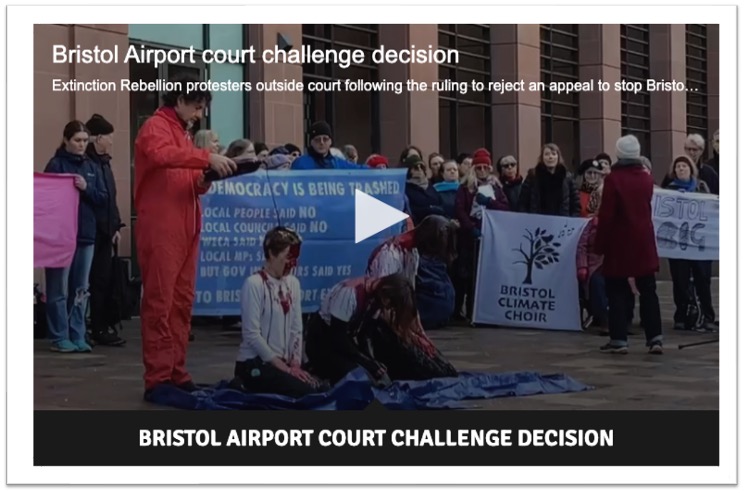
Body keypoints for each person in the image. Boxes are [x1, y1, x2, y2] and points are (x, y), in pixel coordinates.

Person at [134, 76, 237, 398]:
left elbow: (188, 181)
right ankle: (158, 377)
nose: (199, 114)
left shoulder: (182, 134)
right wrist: (205, 158)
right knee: (160, 303)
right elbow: (161, 155)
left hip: (185, 228)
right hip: (163, 229)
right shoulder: (155, 127)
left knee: (180, 303)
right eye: (196, 106)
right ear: (179, 100)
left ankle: (175, 371)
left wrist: (204, 179)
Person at [306, 273, 458, 384]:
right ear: (386, 296)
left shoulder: (375, 300)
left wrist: (373, 361)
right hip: (323, 342)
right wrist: (366, 362)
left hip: (343, 342)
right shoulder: (349, 294)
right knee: (359, 377)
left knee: (376, 373)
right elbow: (338, 337)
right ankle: (318, 370)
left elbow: (365, 334)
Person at [229, 227, 328, 397]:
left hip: (284, 363)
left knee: (321, 387)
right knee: (305, 393)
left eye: (295, 258)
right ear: (271, 254)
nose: (292, 264)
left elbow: (296, 328)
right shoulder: (254, 284)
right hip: (254, 363)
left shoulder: (293, 284)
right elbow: (252, 335)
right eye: (288, 257)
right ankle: (242, 384)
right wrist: (285, 369)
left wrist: (295, 364)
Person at [595, 135, 663, 355]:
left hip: (619, 241)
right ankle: (655, 337)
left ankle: (619, 338)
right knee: (648, 289)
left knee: (616, 290)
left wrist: (599, 245)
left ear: (619, 153)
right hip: (643, 240)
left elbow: (607, 215)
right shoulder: (646, 178)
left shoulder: (614, 179)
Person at [44, 120, 108, 353]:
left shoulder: (91, 166)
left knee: (81, 288)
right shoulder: (56, 164)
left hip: (85, 234)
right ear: (66, 140)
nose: (81, 145)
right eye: (77, 140)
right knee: (59, 288)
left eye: (84, 140)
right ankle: (59, 335)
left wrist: (85, 188)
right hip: (60, 236)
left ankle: (77, 333)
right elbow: (47, 197)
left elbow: (102, 197)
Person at [84, 114, 126, 347]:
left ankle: (101, 324)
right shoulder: (87, 163)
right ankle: (92, 326)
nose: (111, 141)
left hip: (106, 231)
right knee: (90, 281)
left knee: (103, 280)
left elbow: (111, 198)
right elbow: (96, 199)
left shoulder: (105, 164)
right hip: (92, 231)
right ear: (98, 138)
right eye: (109, 137)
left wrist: (116, 225)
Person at [454, 148, 509, 320]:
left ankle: (484, 311)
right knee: (467, 276)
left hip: (490, 235)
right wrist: (470, 228)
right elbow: (460, 210)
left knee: (486, 276)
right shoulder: (465, 187)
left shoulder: (496, 187)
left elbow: (505, 208)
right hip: (470, 236)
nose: (482, 171)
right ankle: (466, 311)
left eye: (485, 167)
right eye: (479, 168)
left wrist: (490, 202)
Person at [664, 155, 716, 331]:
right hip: (679, 243)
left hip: (699, 243)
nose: (681, 169)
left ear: (690, 169)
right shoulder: (669, 190)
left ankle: (707, 315)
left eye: (684, 166)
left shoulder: (701, 187)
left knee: (703, 280)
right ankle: (682, 314)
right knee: (680, 280)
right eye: (678, 166)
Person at [518, 143, 581, 217]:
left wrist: (571, 220)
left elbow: (576, 204)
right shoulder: (533, 177)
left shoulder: (567, 178)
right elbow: (522, 202)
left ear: (558, 157)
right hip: (537, 220)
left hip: (562, 221)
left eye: (553, 154)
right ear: (542, 158)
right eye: (547, 154)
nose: (550, 157)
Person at [576, 187, 608, 330]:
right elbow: (582, 246)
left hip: (615, 262)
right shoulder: (591, 223)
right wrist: (582, 266)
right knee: (597, 282)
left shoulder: (621, 222)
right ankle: (603, 318)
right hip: (595, 264)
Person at [291, 121, 367, 170]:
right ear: (311, 142)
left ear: (330, 141)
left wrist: (373, 165)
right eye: (317, 139)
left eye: (325, 139)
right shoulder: (300, 163)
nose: (321, 142)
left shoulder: (337, 163)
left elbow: (359, 170)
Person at [404, 154, 445, 225]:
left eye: (422, 167)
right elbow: (411, 210)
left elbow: (441, 206)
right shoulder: (406, 189)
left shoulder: (430, 186)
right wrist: (430, 209)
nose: (420, 170)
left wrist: (432, 209)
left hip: (438, 223)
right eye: (416, 167)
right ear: (409, 170)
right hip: (419, 225)